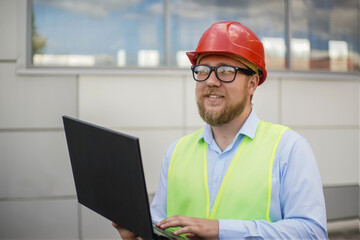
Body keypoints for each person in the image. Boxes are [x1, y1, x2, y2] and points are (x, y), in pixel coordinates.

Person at [114, 21, 328, 239]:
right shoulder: (175, 152)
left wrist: (221, 231)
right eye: (203, 70)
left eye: (226, 71)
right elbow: (162, 227)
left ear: (252, 83)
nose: (211, 81)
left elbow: (312, 233)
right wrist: (140, 235)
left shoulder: (288, 148)